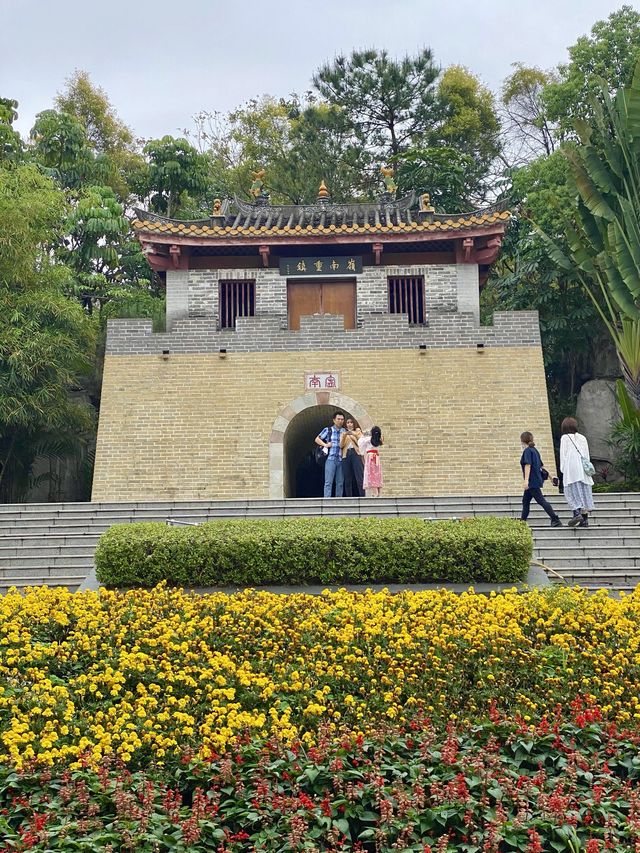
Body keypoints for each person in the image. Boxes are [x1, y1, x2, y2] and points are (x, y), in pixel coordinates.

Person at [519, 431, 562, 527]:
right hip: (535, 480)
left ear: (522, 440)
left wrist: (526, 481)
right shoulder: (534, 450)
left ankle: (555, 519)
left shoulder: (527, 451)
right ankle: (522, 522)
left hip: (532, 481)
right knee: (525, 501)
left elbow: (528, 465)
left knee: (541, 500)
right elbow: (541, 466)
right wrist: (551, 477)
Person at [560, 417, 595, 528]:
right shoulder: (582, 438)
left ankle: (576, 513)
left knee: (571, 491)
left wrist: (563, 469)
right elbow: (587, 455)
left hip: (571, 469)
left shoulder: (565, 438)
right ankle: (584, 520)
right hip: (583, 469)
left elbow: (563, 455)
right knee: (584, 492)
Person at [315, 411, 346, 498]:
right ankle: (327, 500)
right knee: (328, 482)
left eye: (342, 419)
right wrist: (325, 445)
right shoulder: (328, 430)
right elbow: (317, 439)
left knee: (340, 482)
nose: (340, 421)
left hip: (341, 459)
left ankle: (338, 500)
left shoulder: (344, 431)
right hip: (330, 459)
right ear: (334, 420)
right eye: (338, 419)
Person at [340, 417, 365, 497]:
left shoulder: (358, 432)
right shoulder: (343, 433)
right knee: (347, 478)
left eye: (351, 422)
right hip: (346, 455)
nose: (349, 424)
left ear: (354, 424)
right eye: (347, 422)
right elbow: (341, 445)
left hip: (356, 453)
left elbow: (361, 442)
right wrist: (345, 436)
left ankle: (362, 495)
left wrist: (353, 434)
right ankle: (349, 497)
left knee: (359, 476)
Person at [359, 425, 384, 497]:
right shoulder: (379, 441)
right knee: (377, 474)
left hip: (370, 457)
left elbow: (361, 442)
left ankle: (374, 492)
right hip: (377, 458)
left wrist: (364, 434)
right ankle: (379, 492)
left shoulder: (369, 439)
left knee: (371, 474)